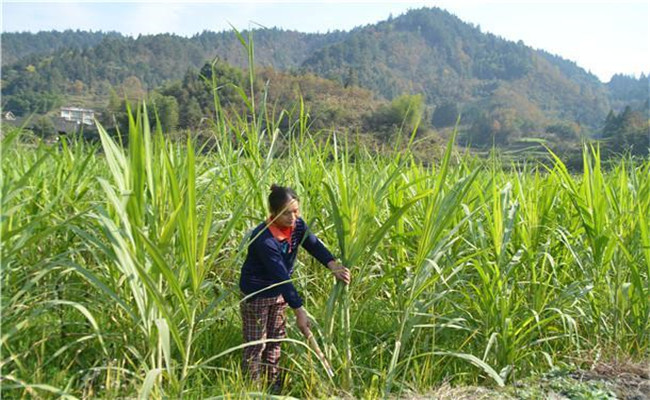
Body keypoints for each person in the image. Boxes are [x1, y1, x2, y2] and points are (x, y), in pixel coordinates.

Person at [239, 184, 350, 392]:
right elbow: (282, 276)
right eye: (287, 213)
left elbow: (313, 244)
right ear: (273, 213)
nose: (293, 217)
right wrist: (299, 311)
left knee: (276, 341)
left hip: (279, 292)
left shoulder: (297, 225)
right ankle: (252, 391)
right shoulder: (264, 238)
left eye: (296, 211)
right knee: (257, 344)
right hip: (257, 293)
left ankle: (273, 387)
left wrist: (332, 264)